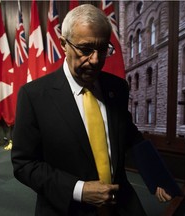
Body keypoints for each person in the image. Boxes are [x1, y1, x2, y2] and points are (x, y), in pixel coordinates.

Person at [11, 4, 172, 216]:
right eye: (86, 50)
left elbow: (130, 135)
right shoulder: (33, 96)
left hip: (120, 203)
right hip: (67, 208)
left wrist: (156, 174)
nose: (96, 60)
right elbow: (24, 164)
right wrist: (79, 190)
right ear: (63, 44)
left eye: (103, 49)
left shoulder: (117, 87)